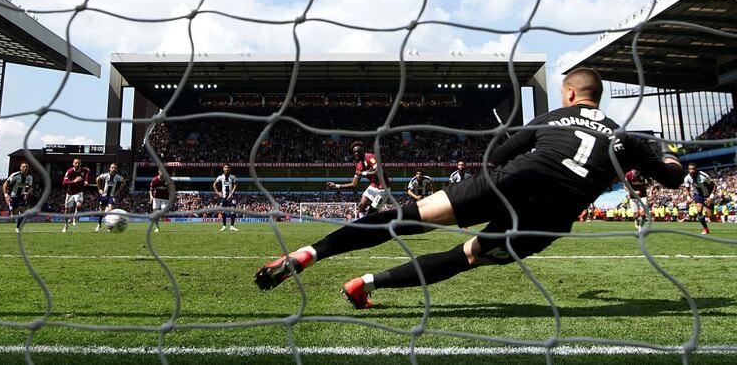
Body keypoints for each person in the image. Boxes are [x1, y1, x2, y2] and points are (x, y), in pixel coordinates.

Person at [253, 68, 685, 309]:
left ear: (570, 93)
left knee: (405, 219)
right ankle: (364, 284)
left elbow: (497, 156)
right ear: (599, 98)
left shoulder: (550, 119)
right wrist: (666, 155)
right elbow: (674, 177)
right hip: (550, 214)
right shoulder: (625, 138)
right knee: (466, 257)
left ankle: (310, 253)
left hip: (512, 179)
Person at [326, 141, 391, 219]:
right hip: (374, 185)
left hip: (383, 188)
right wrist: (336, 185)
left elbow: (379, 171)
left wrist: (363, 173)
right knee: (361, 206)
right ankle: (362, 226)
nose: (356, 153)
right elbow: (353, 184)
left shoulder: (370, 157)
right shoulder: (359, 166)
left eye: (358, 151)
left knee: (372, 212)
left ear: (363, 151)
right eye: (354, 152)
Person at [684, 162, 715, 235]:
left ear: (696, 169)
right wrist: (688, 197)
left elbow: (714, 186)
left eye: (693, 169)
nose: (691, 171)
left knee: (710, 217)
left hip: (708, 195)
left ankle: (709, 214)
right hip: (698, 195)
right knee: (699, 211)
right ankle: (706, 229)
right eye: (690, 169)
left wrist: (711, 197)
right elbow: (687, 188)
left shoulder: (703, 176)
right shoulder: (687, 178)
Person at [62, 158, 91, 233]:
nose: (77, 164)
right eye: (76, 163)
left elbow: (88, 171)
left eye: (78, 163)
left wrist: (86, 180)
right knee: (66, 211)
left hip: (79, 192)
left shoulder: (84, 170)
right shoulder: (69, 171)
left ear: (81, 164)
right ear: (73, 164)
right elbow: (64, 182)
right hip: (70, 193)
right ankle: (66, 225)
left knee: (79, 205)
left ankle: (75, 217)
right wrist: (74, 181)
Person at [3, 162, 33, 233]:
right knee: (15, 214)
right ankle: (11, 209)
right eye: (23, 167)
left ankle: (18, 228)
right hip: (13, 196)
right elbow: (5, 184)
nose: (25, 168)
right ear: (20, 168)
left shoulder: (29, 177)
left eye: (26, 167)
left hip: (22, 196)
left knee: (22, 211)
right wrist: (6, 194)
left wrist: (27, 193)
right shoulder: (15, 175)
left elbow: (31, 188)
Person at [96, 163, 125, 232]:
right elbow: (97, 179)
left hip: (111, 196)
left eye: (115, 168)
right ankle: (99, 224)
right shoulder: (106, 175)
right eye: (112, 167)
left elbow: (123, 182)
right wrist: (99, 189)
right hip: (103, 196)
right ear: (110, 168)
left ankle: (110, 226)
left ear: (116, 169)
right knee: (101, 211)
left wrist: (118, 191)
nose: (113, 169)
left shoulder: (118, 177)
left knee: (111, 210)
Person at [213, 164, 238, 232]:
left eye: (227, 167)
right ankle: (224, 226)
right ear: (223, 169)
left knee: (233, 211)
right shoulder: (220, 177)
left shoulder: (233, 177)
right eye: (225, 167)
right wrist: (218, 193)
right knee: (223, 211)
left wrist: (231, 194)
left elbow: (235, 186)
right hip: (223, 197)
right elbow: (214, 184)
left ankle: (232, 226)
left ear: (229, 169)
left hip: (231, 196)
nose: (226, 168)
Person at [150, 168, 171, 233]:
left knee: (164, 209)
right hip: (156, 198)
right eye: (161, 171)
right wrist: (151, 196)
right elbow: (151, 190)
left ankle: (162, 216)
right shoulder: (154, 180)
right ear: (159, 172)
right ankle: (157, 228)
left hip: (165, 198)